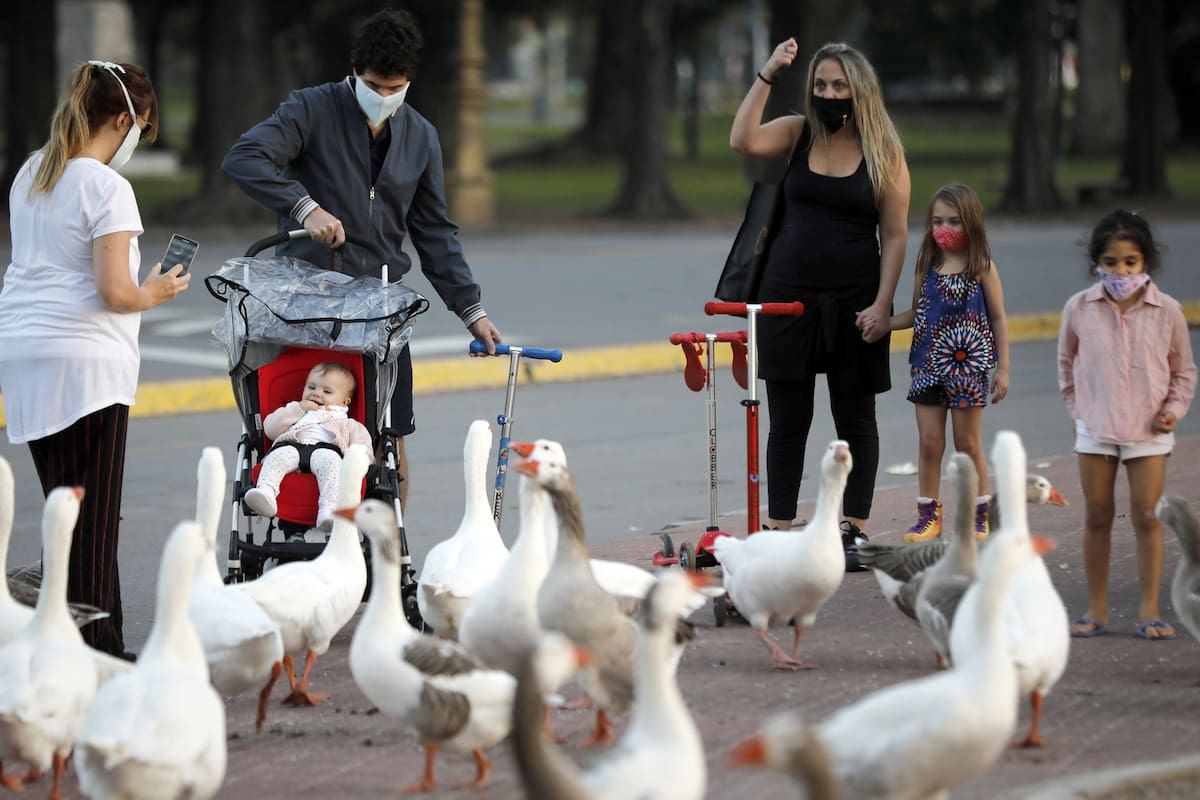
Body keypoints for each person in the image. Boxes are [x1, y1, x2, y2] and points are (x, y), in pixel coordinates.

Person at [222, 8, 502, 509]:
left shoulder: (421, 137)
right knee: (305, 425)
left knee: (387, 440)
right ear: (354, 72)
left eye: (396, 88)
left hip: (381, 310)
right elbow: (244, 157)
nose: (384, 97)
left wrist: (471, 310)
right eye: (374, 85)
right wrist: (304, 207)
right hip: (305, 304)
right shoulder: (311, 109)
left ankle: (387, 551)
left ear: (410, 80)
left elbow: (434, 232)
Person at [0, 61, 190, 657]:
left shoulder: (32, 171)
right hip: (85, 367)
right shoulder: (107, 187)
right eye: (143, 130)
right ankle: (95, 654)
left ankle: (69, 642)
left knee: (65, 512)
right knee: (93, 521)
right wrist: (156, 290)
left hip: (25, 356)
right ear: (121, 121)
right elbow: (115, 291)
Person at [729, 39, 910, 571]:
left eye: (839, 85)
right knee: (789, 419)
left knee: (856, 417)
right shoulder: (796, 132)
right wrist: (767, 73)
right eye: (821, 84)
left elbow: (896, 236)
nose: (829, 94)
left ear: (860, 90)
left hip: (856, 301)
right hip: (786, 300)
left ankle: (851, 529)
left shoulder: (884, 151)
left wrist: (882, 304)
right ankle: (780, 527)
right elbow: (742, 140)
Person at [1058, 210, 1196, 640]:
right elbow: (1067, 363)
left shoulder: (1167, 310)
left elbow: (1184, 371)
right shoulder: (1079, 308)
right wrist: (1078, 410)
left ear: (1145, 263)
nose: (1122, 272)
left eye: (1131, 262)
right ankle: (1095, 610)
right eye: (1113, 262)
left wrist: (1174, 409)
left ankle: (1150, 610)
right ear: (1098, 262)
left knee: (1147, 517)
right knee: (1097, 515)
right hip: (1094, 429)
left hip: (1150, 432)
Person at [889, 183, 1010, 543]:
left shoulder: (982, 267)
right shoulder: (927, 265)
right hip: (927, 364)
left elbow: (999, 318)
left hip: (968, 366)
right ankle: (929, 515)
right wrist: (883, 322)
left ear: (971, 223)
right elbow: (915, 312)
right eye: (938, 221)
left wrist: (1003, 368)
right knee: (929, 442)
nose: (945, 229)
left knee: (966, 441)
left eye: (955, 221)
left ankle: (978, 513)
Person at [243, 362, 374, 534]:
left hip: (326, 450)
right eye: (311, 387)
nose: (316, 393)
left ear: (344, 401)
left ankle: (329, 509)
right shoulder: (295, 412)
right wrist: (297, 409)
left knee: (332, 464)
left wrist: (356, 465)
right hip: (291, 445)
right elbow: (270, 429)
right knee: (277, 457)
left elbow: (363, 448)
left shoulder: (348, 423)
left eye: (327, 391)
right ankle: (266, 491)